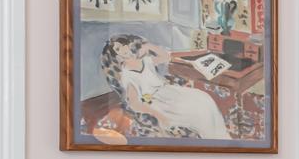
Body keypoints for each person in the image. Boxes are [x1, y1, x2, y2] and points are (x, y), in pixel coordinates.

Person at [98, 33, 231, 140]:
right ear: (116, 56)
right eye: (118, 49)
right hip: (154, 101)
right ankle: (212, 140)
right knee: (196, 112)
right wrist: (159, 115)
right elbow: (134, 103)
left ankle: (221, 139)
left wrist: (148, 46)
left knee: (204, 98)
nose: (123, 49)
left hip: (168, 91)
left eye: (124, 45)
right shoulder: (127, 75)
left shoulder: (145, 61)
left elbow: (165, 56)